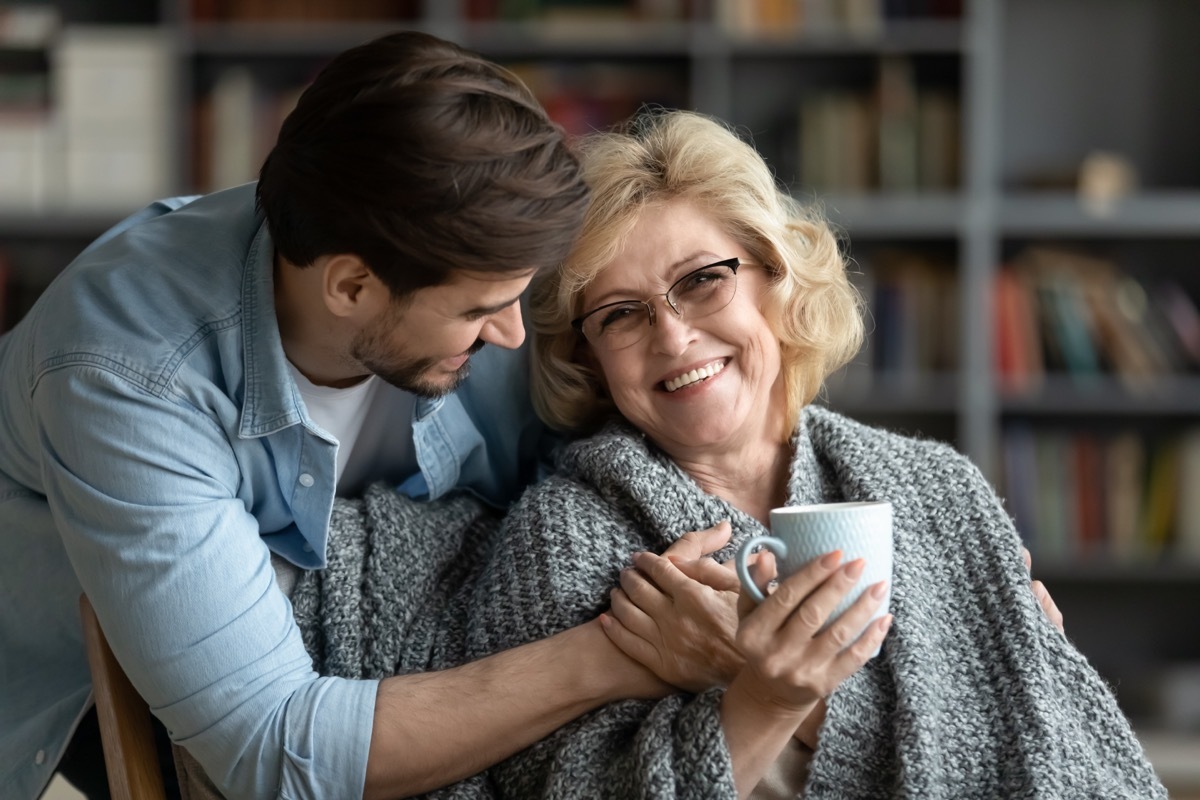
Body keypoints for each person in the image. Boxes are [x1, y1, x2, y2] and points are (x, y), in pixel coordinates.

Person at [300, 108, 1158, 798]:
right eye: (622, 314)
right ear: (588, 359)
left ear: (776, 277)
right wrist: (763, 704)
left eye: (703, 280)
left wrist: (808, 693)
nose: (674, 337)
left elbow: (1078, 763)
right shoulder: (565, 539)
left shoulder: (937, 490)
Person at [0, 32, 724, 800]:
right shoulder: (126, 376)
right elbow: (275, 753)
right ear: (350, 288)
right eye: (479, 311)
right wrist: (619, 653)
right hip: (150, 709)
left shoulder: (460, 251)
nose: (516, 335)